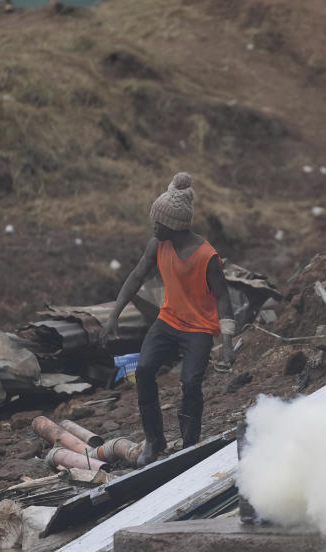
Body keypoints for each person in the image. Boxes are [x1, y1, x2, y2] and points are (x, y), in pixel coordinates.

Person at [98, 172, 235, 467]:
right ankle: (154, 439)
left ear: (173, 225)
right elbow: (136, 277)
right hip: (168, 320)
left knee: (191, 382)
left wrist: (227, 343)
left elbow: (223, 298)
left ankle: (189, 444)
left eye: (157, 222)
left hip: (199, 328)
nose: (153, 226)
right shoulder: (157, 244)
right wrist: (113, 316)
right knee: (145, 369)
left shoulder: (206, 256)